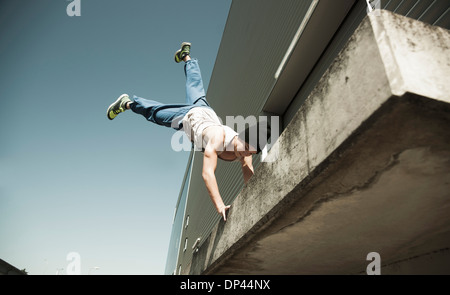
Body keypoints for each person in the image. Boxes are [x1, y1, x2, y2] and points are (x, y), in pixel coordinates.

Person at [106, 42, 264, 221]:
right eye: (245, 148)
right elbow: (207, 173)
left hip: (208, 113)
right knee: (156, 114)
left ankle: (185, 56)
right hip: (189, 117)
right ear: (242, 137)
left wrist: (256, 197)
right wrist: (220, 205)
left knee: (195, 85)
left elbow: (249, 175)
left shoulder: (247, 151)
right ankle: (127, 103)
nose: (245, 153)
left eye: (249, 151)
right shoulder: (217, 140)